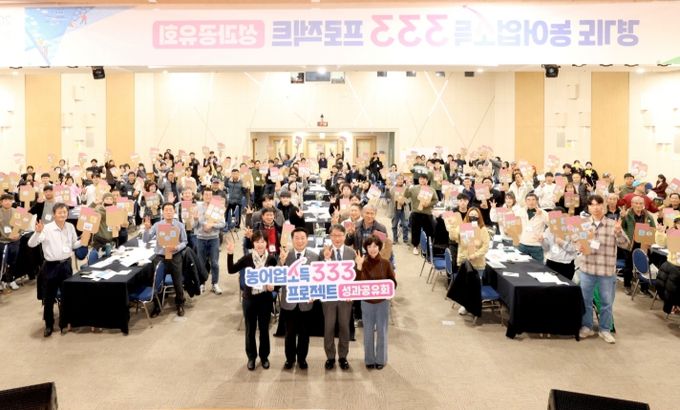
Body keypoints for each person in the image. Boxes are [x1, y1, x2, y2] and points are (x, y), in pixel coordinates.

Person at [577, 194, 630, 344]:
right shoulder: (583, 224)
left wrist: (619, 232)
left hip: (606, 271)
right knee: (586, 300)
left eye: (598, 204)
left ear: (604, 206)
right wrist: (579, 246)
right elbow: (577, 242)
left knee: (606, 302)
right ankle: (587, 326)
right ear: (588, 207)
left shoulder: (613, 224)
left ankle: (605, 329)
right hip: (587, 269)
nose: (596, 208)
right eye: (592, 205)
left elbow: (626, 244)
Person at [27, 203, 83, 337]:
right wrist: (37, 232)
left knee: (66, 295)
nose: (63, 214)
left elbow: (74, 244)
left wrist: (84, 239)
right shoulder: (47, 228)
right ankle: (49, 325)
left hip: (66, 265)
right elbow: (31, 244)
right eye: (59, 212)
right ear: (54, 214)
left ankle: (64, 322)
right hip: (51, 266)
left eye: (65, 212)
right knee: (49, 298)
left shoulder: (70, 227)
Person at [226, 232, 277, 371]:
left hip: (265, 299)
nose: (260, 244)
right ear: (253, 243)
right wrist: (230, 253)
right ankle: (251, 357)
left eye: (263, 241)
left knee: (264, 329)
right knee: (250, 329)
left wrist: (274, 286)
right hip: (250, 299)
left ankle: (264, 357)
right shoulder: (247, 258)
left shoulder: (271, 259)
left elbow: (278, 279)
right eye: (257, 241)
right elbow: (231, 270)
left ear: (266, 243)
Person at [355, 235, 396, 370]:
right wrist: (359, 266)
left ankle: (380, 359)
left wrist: (389, 290)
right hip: (367, 302)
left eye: (375, 246)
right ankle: (369, 359)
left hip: (382, 302)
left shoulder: (385, 263)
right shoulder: (362, 262)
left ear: (379, 247)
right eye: (369, 246)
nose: (372, 249)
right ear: (366, 248)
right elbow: (356, 284)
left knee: (382, 331)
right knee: (367, 332)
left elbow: (393, 282)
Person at [278, 227, 317, 370]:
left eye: (302, 238)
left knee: (304, 333)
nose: (300, 241)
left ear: (307, 239)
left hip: (306, 301)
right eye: (297, 238)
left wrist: (315, 294)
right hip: (289, 302)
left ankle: (302, 359)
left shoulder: (314, 256)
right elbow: (277, 276)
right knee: (289, 333)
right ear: (292, 239)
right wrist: (281, 262)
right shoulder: (285, 255)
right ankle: (289, 359)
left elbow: (318, 279)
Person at [142, 202, 188, 317]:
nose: (168, 212)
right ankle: (157, 306)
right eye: (166, 210)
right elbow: (146, 240)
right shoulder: (157, 225)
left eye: (170, 210)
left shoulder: (179, 225)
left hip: (175, 255)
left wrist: (177, 247)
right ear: (163, 212)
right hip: (160, 257)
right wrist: (146, 229)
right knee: (157, 281)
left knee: (177, 281)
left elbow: (185, 242)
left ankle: (180, 303)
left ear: (174, 211)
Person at [320, 224, 356, 370]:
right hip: (329, 296)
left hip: (346, 296)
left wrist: (352, 292)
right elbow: (318, 274)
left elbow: (355, 275)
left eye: (340, 235)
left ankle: (343, 356)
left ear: (344, 236)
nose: (337, 238)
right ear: (330, 237)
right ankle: (330, 357)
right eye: (334, 235)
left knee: (344, 327)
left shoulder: (351, 252)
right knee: (328, 327)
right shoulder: (324, 252)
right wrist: (326, 260)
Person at [451, 208, 490, 316]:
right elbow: (453, 237)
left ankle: (473, 307)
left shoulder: (482, 229)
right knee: (465, 285)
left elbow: (486, 246)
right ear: (467, 216)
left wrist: (475, 255)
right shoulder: (463, 227)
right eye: (471, 214)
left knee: (474, 288)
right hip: (464, 261)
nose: (473, 216)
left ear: (479, 217)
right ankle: (465, 306)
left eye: (475, 215)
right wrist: (452, 226)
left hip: (477, 263)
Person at [620, 195, 656, 295]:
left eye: (640, 203)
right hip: (631, 244)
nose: (638, 205)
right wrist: (622, 218)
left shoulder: (648, 216)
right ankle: (627, 285)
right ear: (632, 204)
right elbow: (621, 228)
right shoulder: (627, 215)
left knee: (645, 265)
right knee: (629, 266)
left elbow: (653, 228)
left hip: (644, 244)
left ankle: (644, 288)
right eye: (636, 203)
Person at [195, 189, 225, 295]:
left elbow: (223, 224)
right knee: (201, 263)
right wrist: (195, 220)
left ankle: (215, 284)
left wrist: (212, 225)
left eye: (210, 195)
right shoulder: (197, 207)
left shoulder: (217, 207)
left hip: (214, 238)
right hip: (201, 238)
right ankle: (201, 283)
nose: (208, 196)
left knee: (215, 263)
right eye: (206, 194)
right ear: (202, 196)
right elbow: (193, 225)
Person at [404, 174, 435, 255]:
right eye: (421, 178)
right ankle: (415, 246)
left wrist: (428, 204)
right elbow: (406, 195)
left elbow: (436, 200)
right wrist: (407, 186)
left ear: (427, 181)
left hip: (427, 213)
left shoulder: (431, 189)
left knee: (429, 231)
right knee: (415, 231)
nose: (423, 180)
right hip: (416, 213)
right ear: (418, 180)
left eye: (424, 179)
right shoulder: (414, 188)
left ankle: (428, 248)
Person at [515, 193, 548, 262]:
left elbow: (553, 226)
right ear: (525, 201)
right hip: (523, 244)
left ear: (537, 201)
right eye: (528, 200)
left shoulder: (543, 213)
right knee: (521, 266)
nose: (531, 202)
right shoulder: (520, 211)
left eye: (533, 199)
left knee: (538, 267)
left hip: (536, 246)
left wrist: (544, 235)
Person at [0, 194, 23, 290]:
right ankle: (2, 280)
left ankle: (11, 280)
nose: (7, 202)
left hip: (14, 241)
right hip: (2, 241)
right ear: (1, 202)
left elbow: (21, 226)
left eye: (9, 200)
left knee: (13, 261)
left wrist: (19, 234)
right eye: (5, 200)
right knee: (2, 262)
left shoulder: (17, 212)